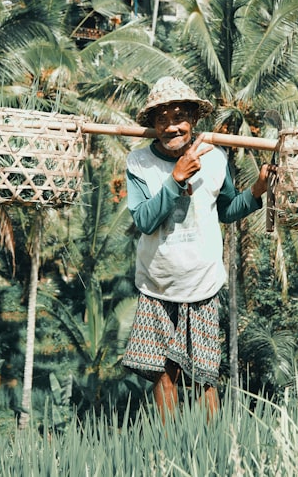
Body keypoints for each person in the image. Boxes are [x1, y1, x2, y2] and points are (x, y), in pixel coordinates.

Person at [121, 77, 274, 421]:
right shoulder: (139, 164)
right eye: (162, 119)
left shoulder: (216, 159)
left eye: (179, 117)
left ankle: (211, 451)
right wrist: (175, 179)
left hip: (203, 284)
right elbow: (145, 221)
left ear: (193, 120)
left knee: (205, 378)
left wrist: (258, 190)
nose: (172, 127)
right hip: (157, 285)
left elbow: (227, 210)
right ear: (153, 125)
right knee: (163, 375)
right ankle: (169, 449)